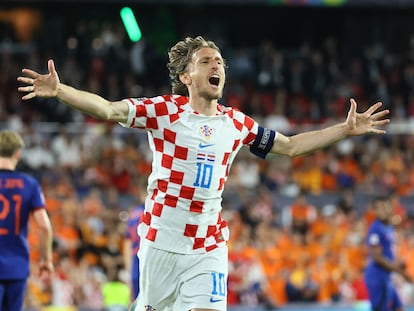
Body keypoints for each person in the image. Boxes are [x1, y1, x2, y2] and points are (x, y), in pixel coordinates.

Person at [17, 35, 389, 311]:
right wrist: (61, 90)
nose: (217, 67)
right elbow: (109, 109)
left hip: (208, 243)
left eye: (220, 62)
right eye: (207, 61)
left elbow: (289, 147)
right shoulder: (165, 111)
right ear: (186, 75)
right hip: (162, 240)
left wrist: (345, 129)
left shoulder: (237, 123)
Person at [0, 130, 54, 311]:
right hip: (17, 265)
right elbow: (44, 227)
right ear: (18, 153)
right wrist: (46, 260)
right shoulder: (29, 184)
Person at [364, 195, 412, 311]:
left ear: (391, 208)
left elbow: (389, 251)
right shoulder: (375, 228)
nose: (383, 210)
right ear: (375, 210)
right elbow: (377, 258)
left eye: (386, 206)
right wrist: (401, 272)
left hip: (387, 276)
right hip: (377, 277)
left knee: (399, 308)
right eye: (379, 207)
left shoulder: (389, 227)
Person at [124, 202, 145, 301]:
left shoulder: (133, 214)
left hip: (134, 262)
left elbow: (127, 243)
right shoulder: (151, 210)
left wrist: (129, 270)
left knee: (137, 302)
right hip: (148, 259)